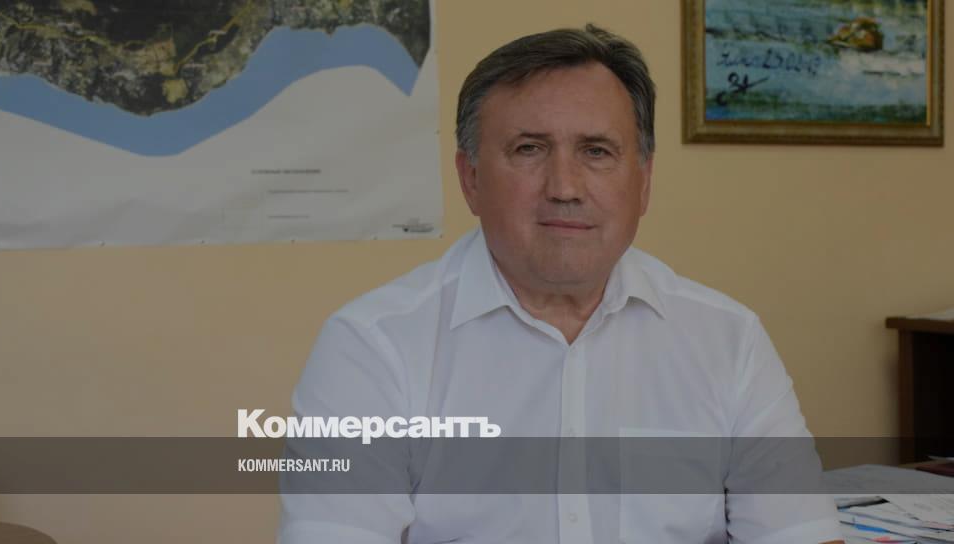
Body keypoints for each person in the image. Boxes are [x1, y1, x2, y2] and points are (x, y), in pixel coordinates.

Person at [277, 24, 844, 544]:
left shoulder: (729, 339)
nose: (565, 187)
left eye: (596, 152)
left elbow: (798, 533)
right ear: (470, 178)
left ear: (643, 182)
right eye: (529, 149)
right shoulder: (371, 347)